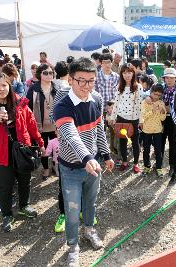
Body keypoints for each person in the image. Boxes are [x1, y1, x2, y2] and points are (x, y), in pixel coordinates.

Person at [53, 58, 114, 266]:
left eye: (91, 81)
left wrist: (105, 155)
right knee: (71, 210)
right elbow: (70, 135)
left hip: (94, 165)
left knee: (90, 203)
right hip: (71, 167)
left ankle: (89, 230)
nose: (86, 86)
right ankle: (72, 246)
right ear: (70, 80)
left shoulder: (96, 99)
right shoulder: (62, 105)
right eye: (81, 81)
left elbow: (99, 130)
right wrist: (86, 157)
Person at [0, 71, 45, 232]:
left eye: (4, 85)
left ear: (9, 86)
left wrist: (40, 142)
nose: (1, 89)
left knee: (25, 181)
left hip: (23, 150)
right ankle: (6, 214)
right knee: (5, 186)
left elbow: (31, 123)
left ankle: (24, 206)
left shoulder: (19, 102)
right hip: (0, 154)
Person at [110, 64, 143, 173]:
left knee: (135, 142)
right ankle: (124, 161)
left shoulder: (138, 87)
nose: (127, 75)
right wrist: (113, 117)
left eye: (129, 72)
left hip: (134, 119)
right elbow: (116, 103)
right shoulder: (119, 86)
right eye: (124, 73)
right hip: (121, 118)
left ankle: (136, 163)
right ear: (122, 74)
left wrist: (141, 120)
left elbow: (140, 105)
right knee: (122, 141)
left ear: (133, 73)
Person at [26, 63, 57, 180]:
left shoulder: (56, 88)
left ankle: (55, 165)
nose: (49, 75)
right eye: (45, 73)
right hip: (40, 125)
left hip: (55, 125)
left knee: (56, 146)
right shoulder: (34, 89)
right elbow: (27, 107)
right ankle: (45, 168)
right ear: (40, 74)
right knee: (43, 147)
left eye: (51, 73)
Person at [141, 84, 166, 178]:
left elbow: (163, 119)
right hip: (146, 130)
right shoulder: (145, 102)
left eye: (159, 95)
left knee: (158, 150)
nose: (156, 97)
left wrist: (162, 111)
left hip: (158, 130)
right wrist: (152, 109)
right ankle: (146, 166)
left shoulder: (161, 103)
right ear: (151, 92)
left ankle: (158, 167)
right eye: (155, 94)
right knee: (146, 149)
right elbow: (143, 116)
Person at [160, 68, 176, 176]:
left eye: (172, 78)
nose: (169, 80)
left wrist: (170, 109)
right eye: (167, 77)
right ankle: (159, 162)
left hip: (174, 120)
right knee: (160, 141)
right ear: (164, 79)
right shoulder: (159, 88)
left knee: (173, 143)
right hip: (161, 119)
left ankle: (172, 165)